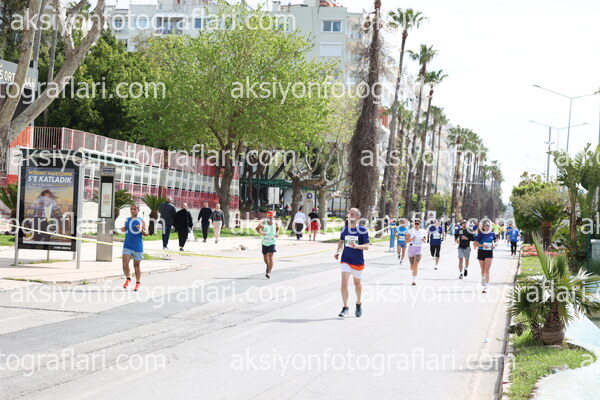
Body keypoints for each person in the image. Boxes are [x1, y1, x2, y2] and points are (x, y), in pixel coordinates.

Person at [334, 208, 369, 318]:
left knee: (357, 284)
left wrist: (357, 246)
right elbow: (341, 241)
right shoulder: (344, 229)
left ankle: (358, 303)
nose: (349, 215)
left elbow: (367, 246)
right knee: (344, 282)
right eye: (349, 213)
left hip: (358, 261)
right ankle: (345, 307)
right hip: (346, 259)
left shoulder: (363, 230)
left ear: (358, 217)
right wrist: (338, 251)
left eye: (352, 214)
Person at [122, 203, 148, 291]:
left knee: (136, 265)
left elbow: (147, 233)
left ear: (138, 210)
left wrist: (141, 230)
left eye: (134, 209)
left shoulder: (141, 221)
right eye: (131, 209)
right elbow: (125, 229)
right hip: (127, 245)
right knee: (125, 263)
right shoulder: (127, 220)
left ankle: (137, 282)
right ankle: (128, 278)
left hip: (138, 246)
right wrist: (123, 229)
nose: (132, 210)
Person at [474, 220, 497, 294]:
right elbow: (475, 244)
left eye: (488, 225)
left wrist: (494, 245)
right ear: (483, 227)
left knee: (487, 270)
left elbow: (495, 241)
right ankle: (482, 278)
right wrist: (482, 245)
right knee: (483, 271)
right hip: (481, 252)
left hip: (489, 252)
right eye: (486, 226)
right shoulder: (480, 234)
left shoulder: (492, 234)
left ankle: (486, 287)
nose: (487, 227)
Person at [256, 210, 280, 279]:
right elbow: (257, 229)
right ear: (267, 216)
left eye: (271, 216)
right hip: (264, 242)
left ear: (273, 217)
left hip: (272, 242)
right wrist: (261, 232)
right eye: (269, 216)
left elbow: (278, 229)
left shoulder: (275, 223)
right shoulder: (263, 223)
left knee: (270, 256)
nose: (270, 218)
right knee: (265, 257)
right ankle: (268, 265)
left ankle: (268, 272)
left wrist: (277, 233)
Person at [405, 219, 425, 286]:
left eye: (417, 224)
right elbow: (405, 241)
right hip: (411, 248)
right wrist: (411, 239)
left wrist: (423, 240)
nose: (416, 225)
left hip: (419, 248)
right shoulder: (410, 231)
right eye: (415, 224)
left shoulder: (423, 232)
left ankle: (414, 280)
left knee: (416, 264)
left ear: (420, 225)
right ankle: (413, 271)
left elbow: (425, 241)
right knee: (412, 265)